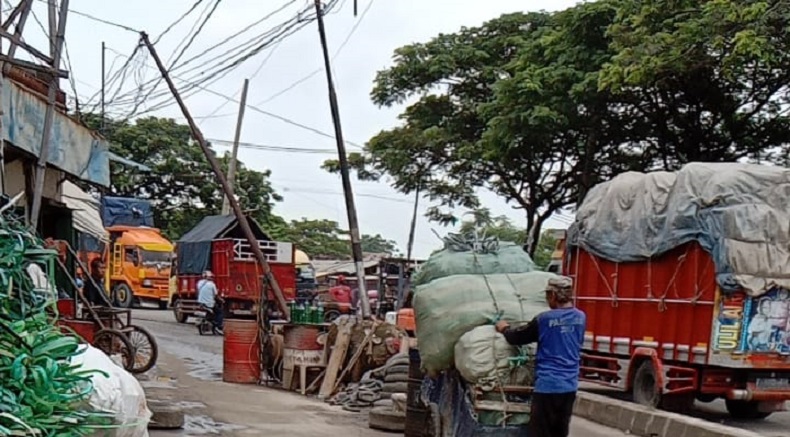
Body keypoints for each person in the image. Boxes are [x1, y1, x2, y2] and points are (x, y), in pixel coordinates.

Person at [495, 276, 586, 437]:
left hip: (547, 385)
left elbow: (517, 338)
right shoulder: (580, 317)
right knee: (560, 431)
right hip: (569, 386)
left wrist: (504, 328)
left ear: (552, 295)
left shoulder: (544, 319)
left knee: (540, 432)